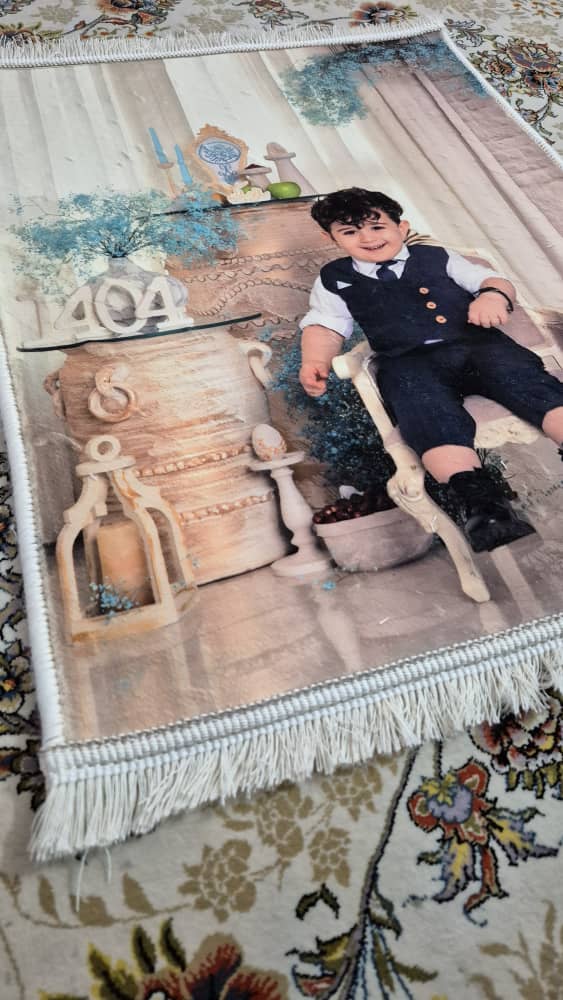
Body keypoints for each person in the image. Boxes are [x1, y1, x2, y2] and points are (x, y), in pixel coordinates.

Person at [299, 188, 563, 552]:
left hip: (477, 345)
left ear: (402, 227)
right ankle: (482, 504)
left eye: (377, 227)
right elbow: (326, 325)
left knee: (524, 380)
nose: (368, 238)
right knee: (424, 410)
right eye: (350, 232)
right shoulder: (335, 278)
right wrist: (314, 361)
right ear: (331, 238)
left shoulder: (436, 257)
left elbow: (492, 280)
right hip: (407, 361)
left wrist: (493, 296)